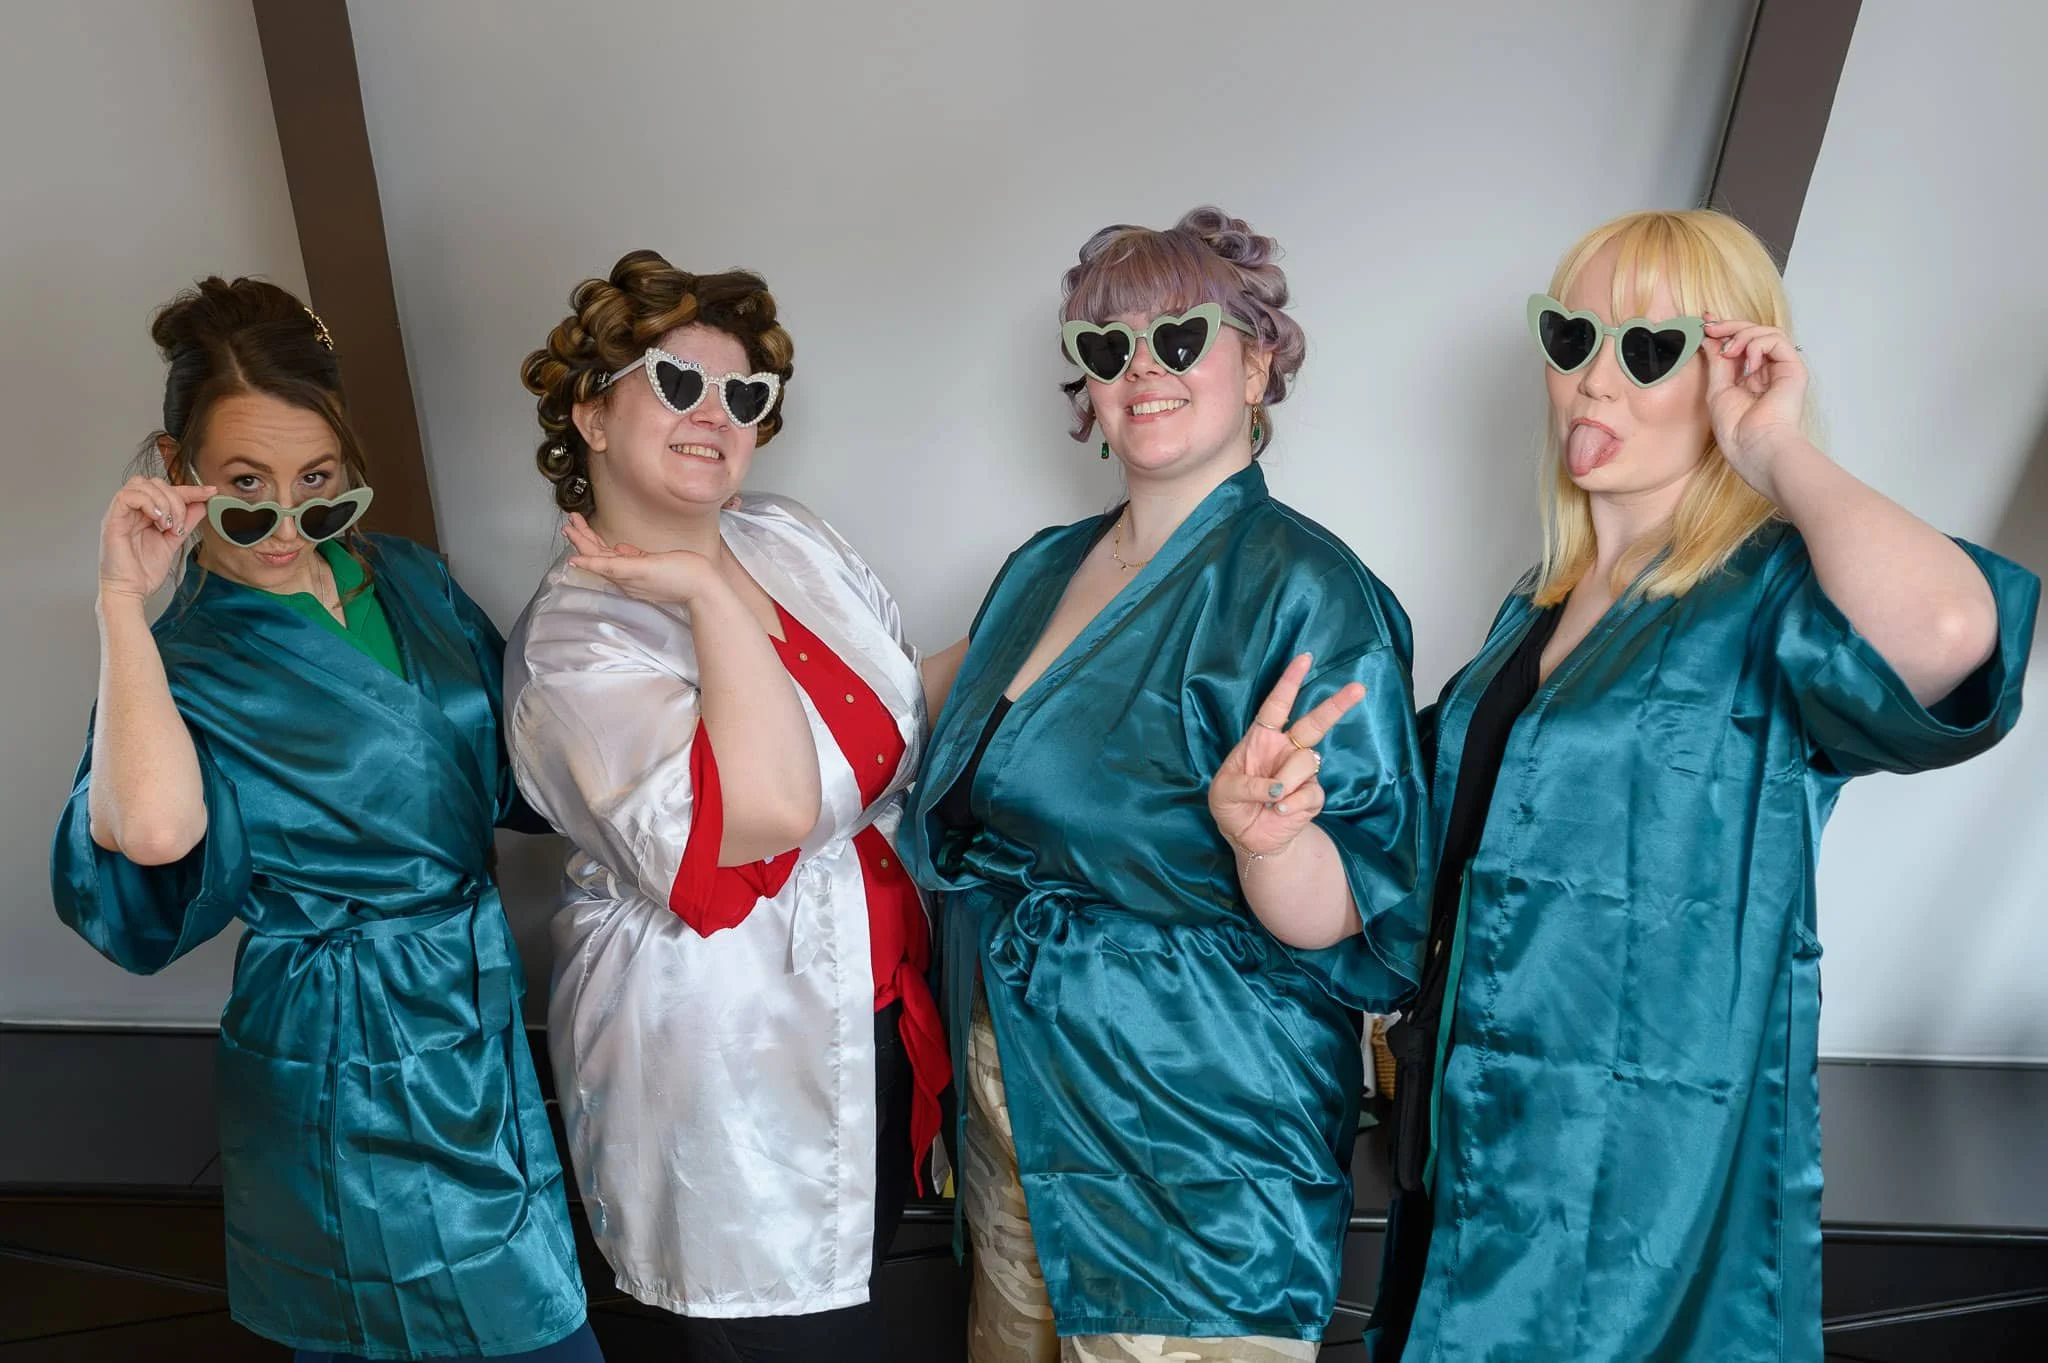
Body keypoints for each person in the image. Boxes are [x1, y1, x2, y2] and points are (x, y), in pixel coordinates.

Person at [1369, 208, 2039, 1362]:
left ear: (1728, 368)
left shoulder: (1772, 592)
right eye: (1571, 336)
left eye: (1647, 349)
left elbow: (1945, 634)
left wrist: (1772, 448)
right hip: (1470, 1142)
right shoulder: (1529, 608)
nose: (1594, 382)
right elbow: (1425, 834)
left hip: (1640, 1189)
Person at [895, 207, 1432, 1361]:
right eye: (1105, 347)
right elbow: (890, 701)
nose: (1141, 370)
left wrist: (1270, 842)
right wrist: (721, 589)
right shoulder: (1042, 568)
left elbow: (1359, 915)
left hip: (1195, 1104)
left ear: (1257, 360)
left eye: (1177, 337)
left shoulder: (1307, 590)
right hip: (1021, 1082)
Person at [51, 277, 596, 1362]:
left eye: (321, 485)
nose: (287, 526)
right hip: (344, 1041)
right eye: (245, 490)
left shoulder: (405, 577)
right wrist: (121, 602)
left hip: (472, 1007)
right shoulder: (184, 661)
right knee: (438, 1329)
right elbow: (153, 838)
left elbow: (516, 768)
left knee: (503, 1312)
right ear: (175, 473)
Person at [505, 251, 955, 1362]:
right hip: (724, 1070)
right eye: (675, 383)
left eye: (743, 395)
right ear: (590, 416)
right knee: (771, 1338)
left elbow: (893, 710)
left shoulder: (786, 534)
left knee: (866, 1320)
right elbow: (762, 814)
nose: (715, 415)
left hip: (876, 1013)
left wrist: (1068, 602)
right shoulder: (575, 643)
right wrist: (704, 594)